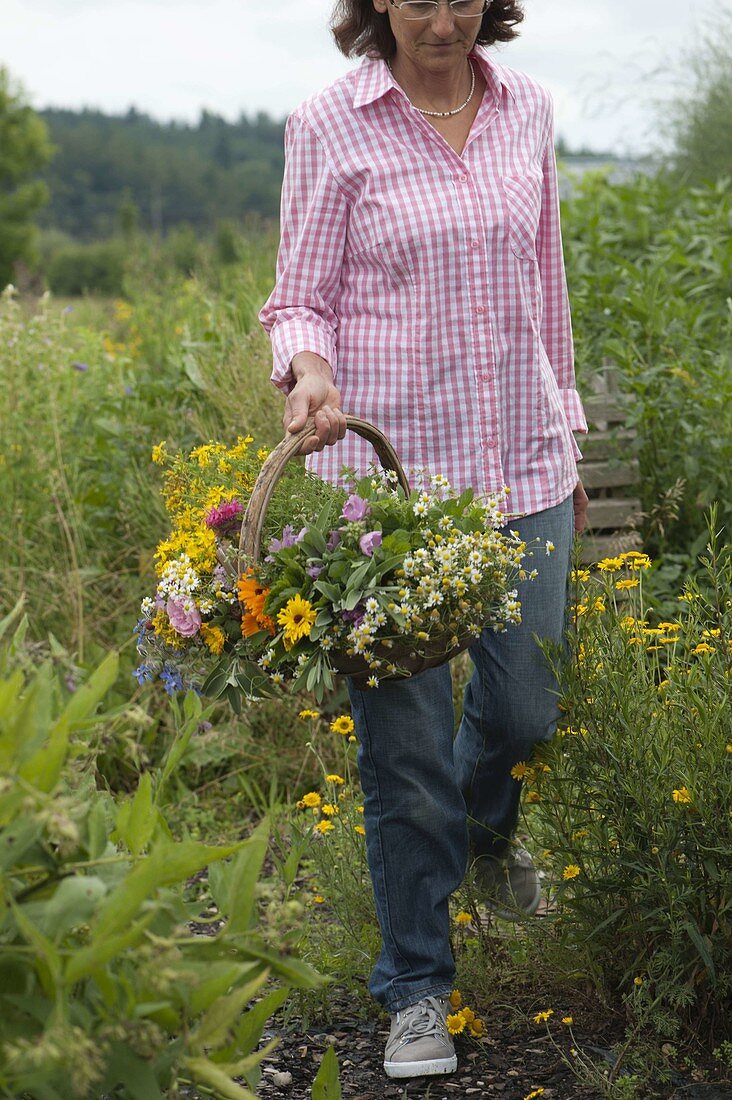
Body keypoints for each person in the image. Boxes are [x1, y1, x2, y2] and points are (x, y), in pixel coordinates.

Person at [260, 0, 589, 1080]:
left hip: (523, 460)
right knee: (402, 755)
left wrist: (568, 429)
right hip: (393, 492)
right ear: (378, 6)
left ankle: (484, 833)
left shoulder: (525, 108)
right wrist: (310, 371)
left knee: (526, 703)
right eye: (416, 1)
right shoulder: (330, 121)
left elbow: (545, 281)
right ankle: (416, 984)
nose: (441, 22)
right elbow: (298, 297)